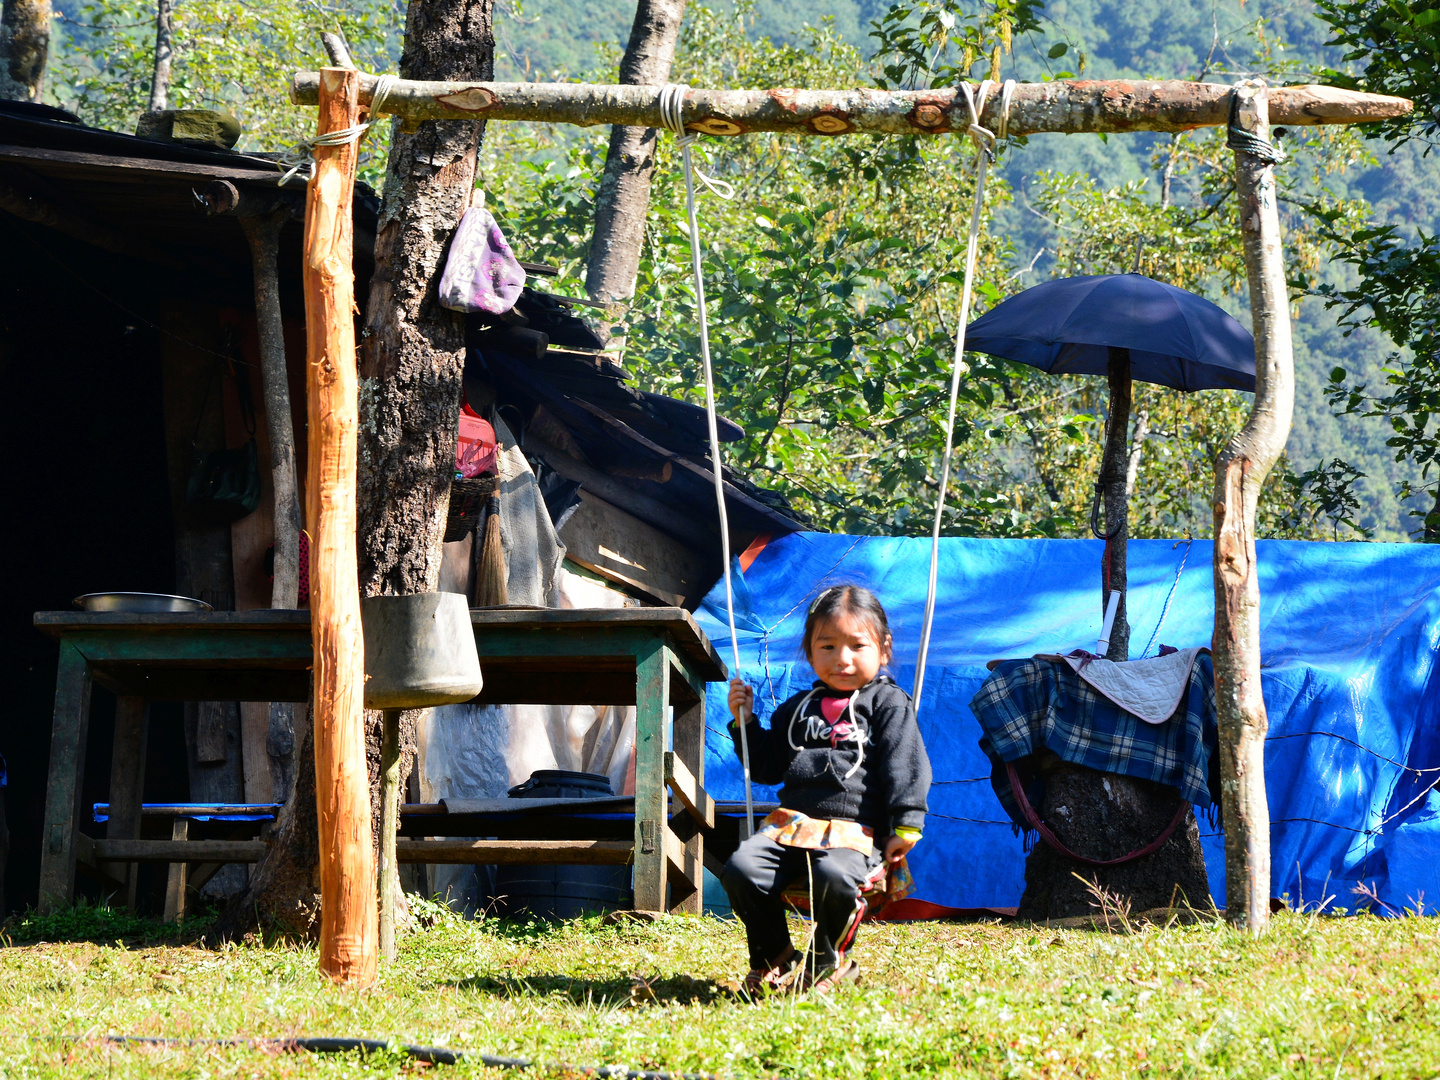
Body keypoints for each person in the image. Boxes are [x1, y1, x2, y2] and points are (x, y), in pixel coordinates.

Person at [721, 584, 931, 995]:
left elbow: (904, 764)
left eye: (857, 645)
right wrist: (744, 722)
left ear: (883, 648)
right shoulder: (797, 708)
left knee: (837, 878)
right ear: (810, 650)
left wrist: (907, 823)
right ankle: (774, 958)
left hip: (856, 834)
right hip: (790, 828)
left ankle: (827, 963)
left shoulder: (887, 704)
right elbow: (766, 767)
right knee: (741, 870)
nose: (843, 659)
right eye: (828, 646)